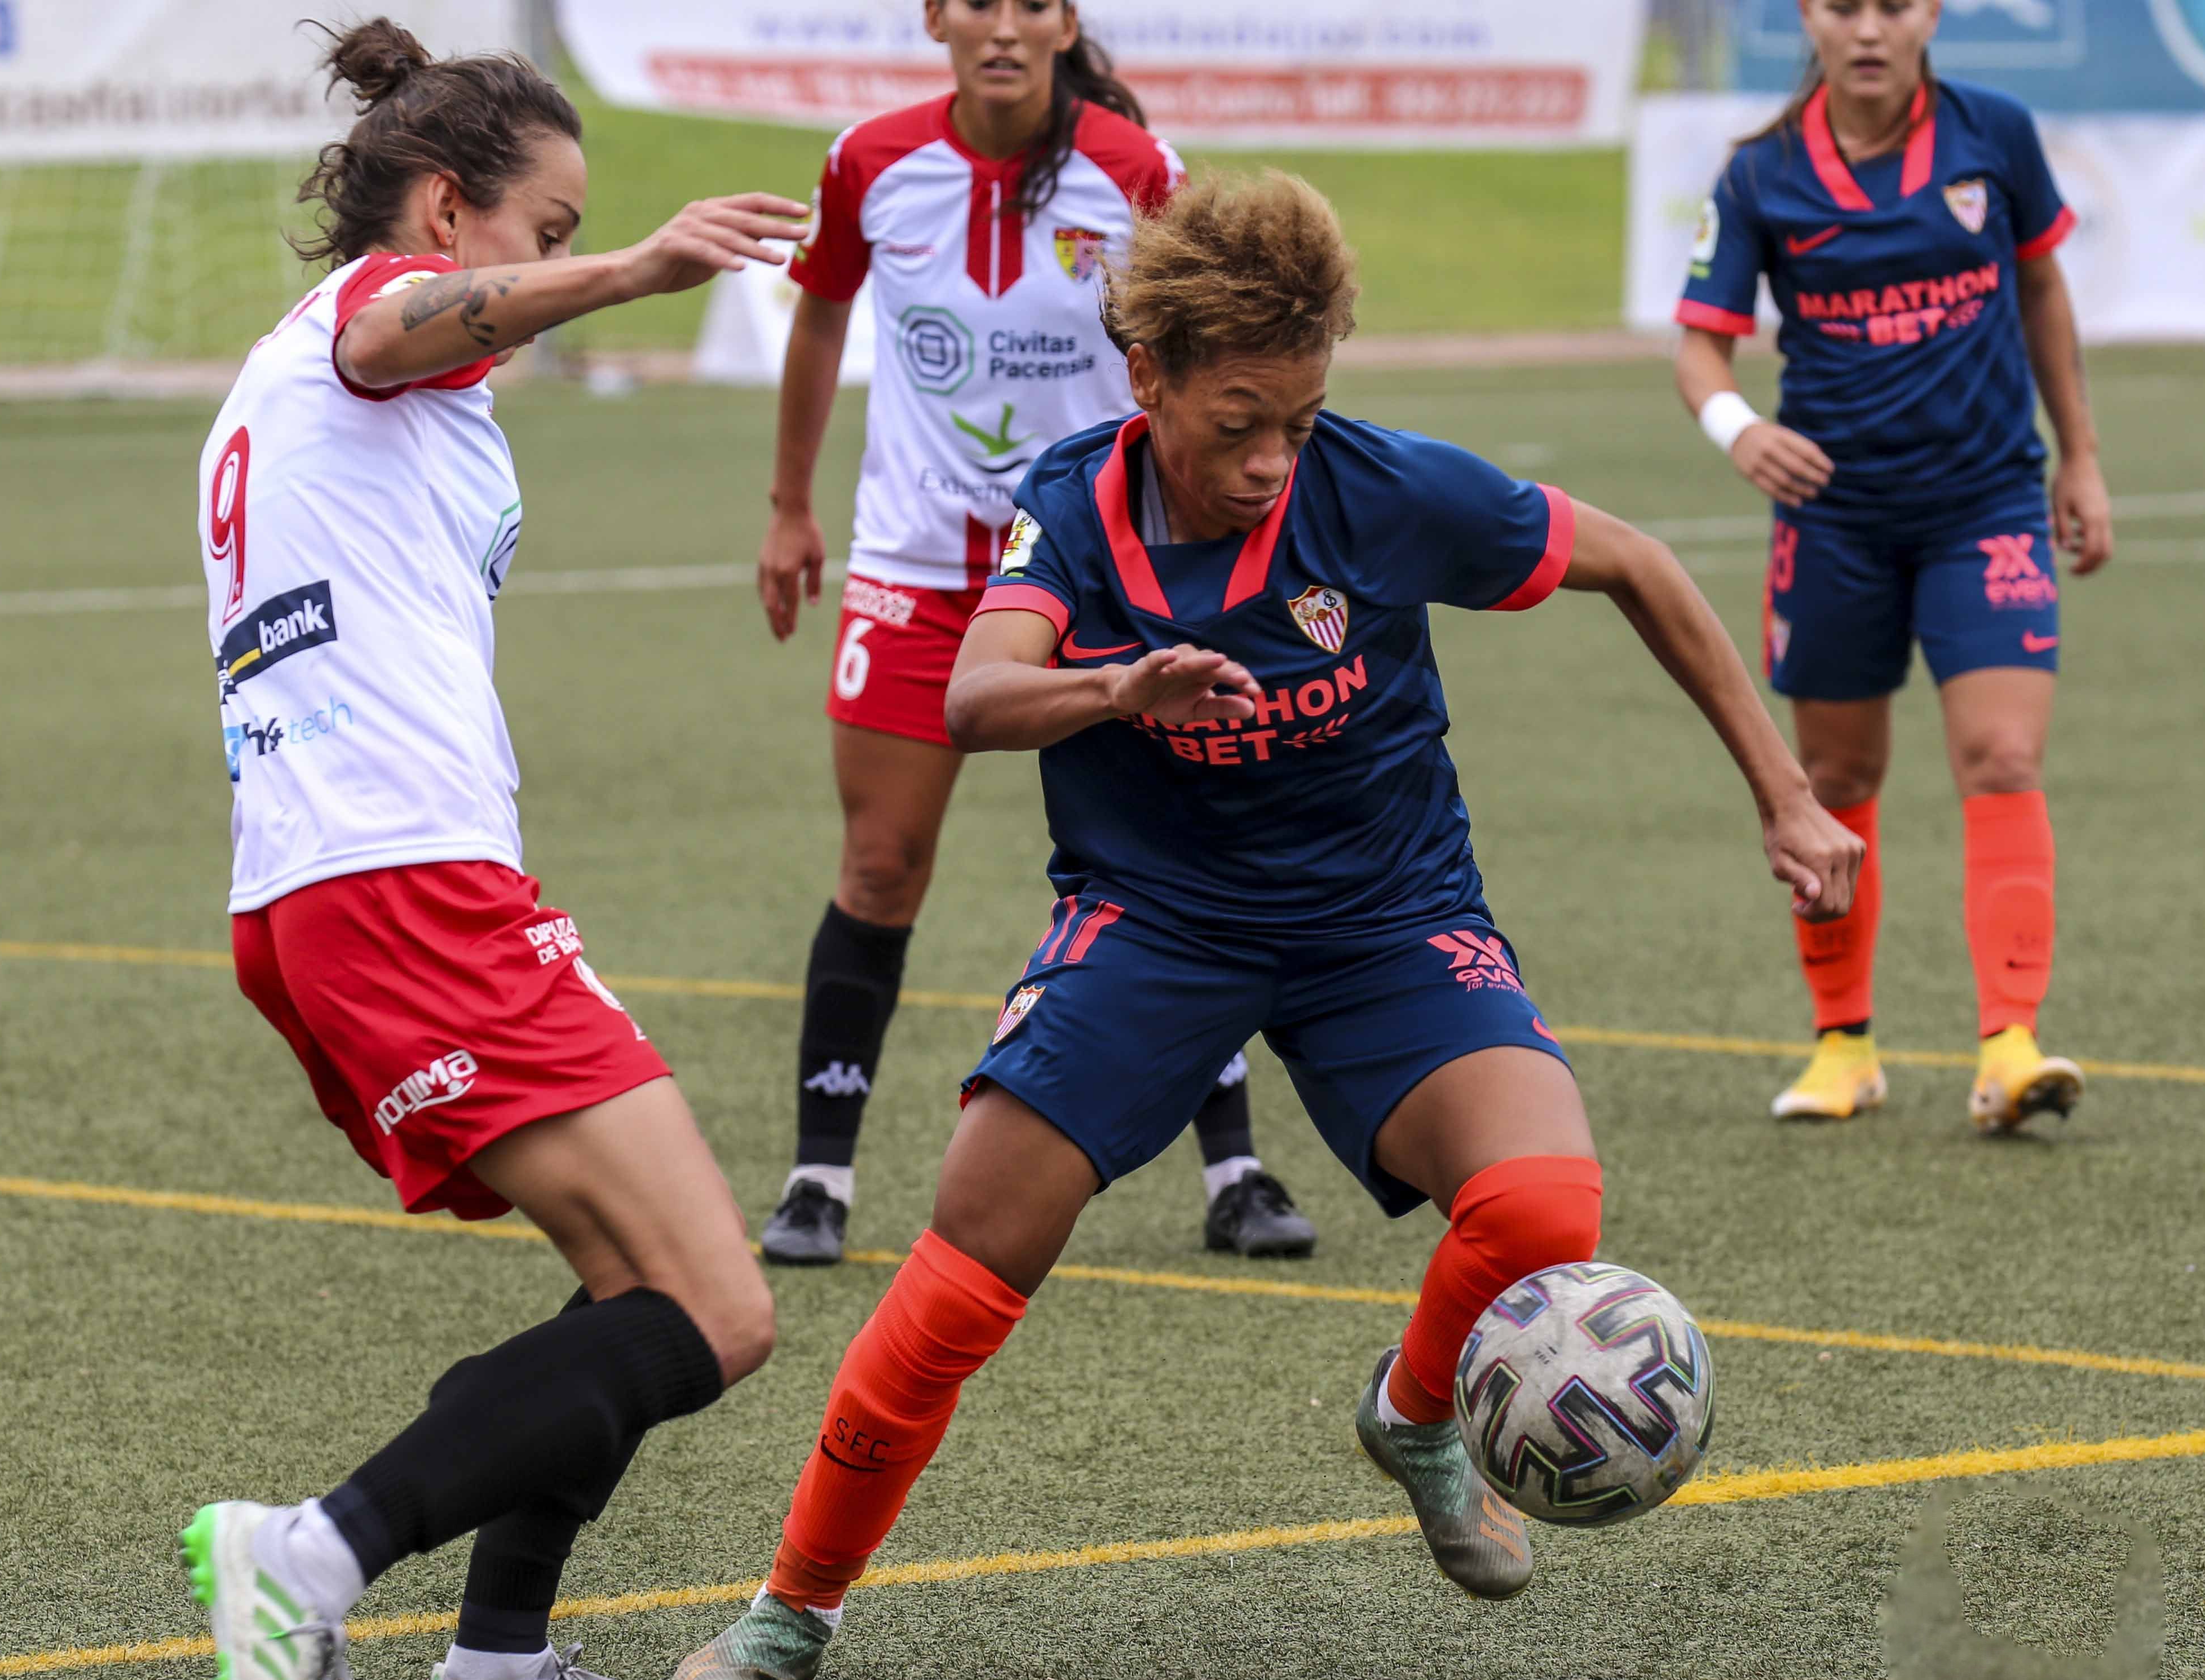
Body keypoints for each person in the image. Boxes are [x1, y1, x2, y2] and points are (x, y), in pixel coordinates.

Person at [673, 171, 1862, 1680]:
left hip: (1385, 918)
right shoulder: (1073, 507)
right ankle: (791, 1611)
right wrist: (1121, 686)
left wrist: (1783, 794)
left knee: (1546, 1202)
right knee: (968, 1263)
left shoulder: (1382, 491)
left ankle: (1416, 1412)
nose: (1267, 458)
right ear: (1147, 374)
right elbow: (974, 698)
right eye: (1235, 418)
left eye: (1294, 419)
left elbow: (1632, 561)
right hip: (1156, 923)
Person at [179, 22, 809, 1680]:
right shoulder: (362, 328)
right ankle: (303, 1553)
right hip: (399, 882)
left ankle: (501, 1654)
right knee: (716, 1309)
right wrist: (635, 273)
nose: (563, 254)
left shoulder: (288, 376)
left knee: (627, 1283)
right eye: (548, 226)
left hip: (337, 884)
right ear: (449, 211)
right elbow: (399, 326)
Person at [753, 0, 1315, 1267]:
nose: (1003, 26)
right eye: (979, 2)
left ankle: (1237, 1167)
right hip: (916, 567)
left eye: (1032, 4)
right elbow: (822, 315)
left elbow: (1204, 352)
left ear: (1066, 23)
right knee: (883, 864)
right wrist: (791, 502)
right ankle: (816, 1179)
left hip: (1097, 565)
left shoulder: (1134, 168)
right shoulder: (869, 162)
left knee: (1183, 846)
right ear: (937, 18)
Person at [1673, 0, 2113, 1130]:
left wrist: (2083, 459)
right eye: (1842, 6)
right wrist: (1741, 429)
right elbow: (1701, 347)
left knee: (2003, 754)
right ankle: (1844, 1045)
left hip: (1989, 503)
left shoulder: (1995, 134)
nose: (1869, 28)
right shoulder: (1760, 174)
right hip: (1835, 519)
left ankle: (2010, 1045)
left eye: (1895, 4)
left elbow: (2044, 288)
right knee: (1836, 779)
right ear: (1810, 20)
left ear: (1930, 16)